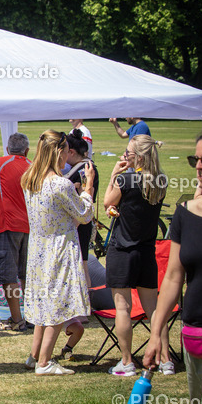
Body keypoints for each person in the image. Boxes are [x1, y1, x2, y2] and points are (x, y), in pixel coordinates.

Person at [145, 132, 202, 404]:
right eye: (195, 160)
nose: (199, 167)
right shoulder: (186, 213)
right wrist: (156, 333)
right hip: (195, 335)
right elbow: (173, 277)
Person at [20, 130, 95, 375]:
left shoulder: (30, 179)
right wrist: (88, 188)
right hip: (59, 247)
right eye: (65, 151)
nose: (67, 155)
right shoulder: (59, 183)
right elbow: (84, 215)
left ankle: (35, 355)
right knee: (59, 303)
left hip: (39, 247)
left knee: (44, 304)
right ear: (58, 152)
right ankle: (44, 362)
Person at [103, 134, 171, 376]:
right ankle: (165, 359)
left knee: (123, 308)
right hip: (146, 250)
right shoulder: (160, 180)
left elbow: (107, 201)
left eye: (128, 153)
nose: (124, 156)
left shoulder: (126, 179)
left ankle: (126, 361)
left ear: (139, 156)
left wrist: (114, 174)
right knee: (154, 310)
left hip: (123, 249)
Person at [0, 132, 32, 331]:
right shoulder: (33, 165)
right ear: (26, 150)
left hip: (7, 224)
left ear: (8, 149)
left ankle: (17, 319)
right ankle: (31, 316)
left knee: (9, 275)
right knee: (27, 274)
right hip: (30, 226)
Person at [57, 130, 99, 360]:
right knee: (81, 263)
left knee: (81, 264)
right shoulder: (86, 166)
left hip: (79, 223)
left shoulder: (83, 169)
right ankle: (82, 308)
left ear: (71, 152)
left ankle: (82, 309)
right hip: (82, 221)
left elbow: (80, 193)